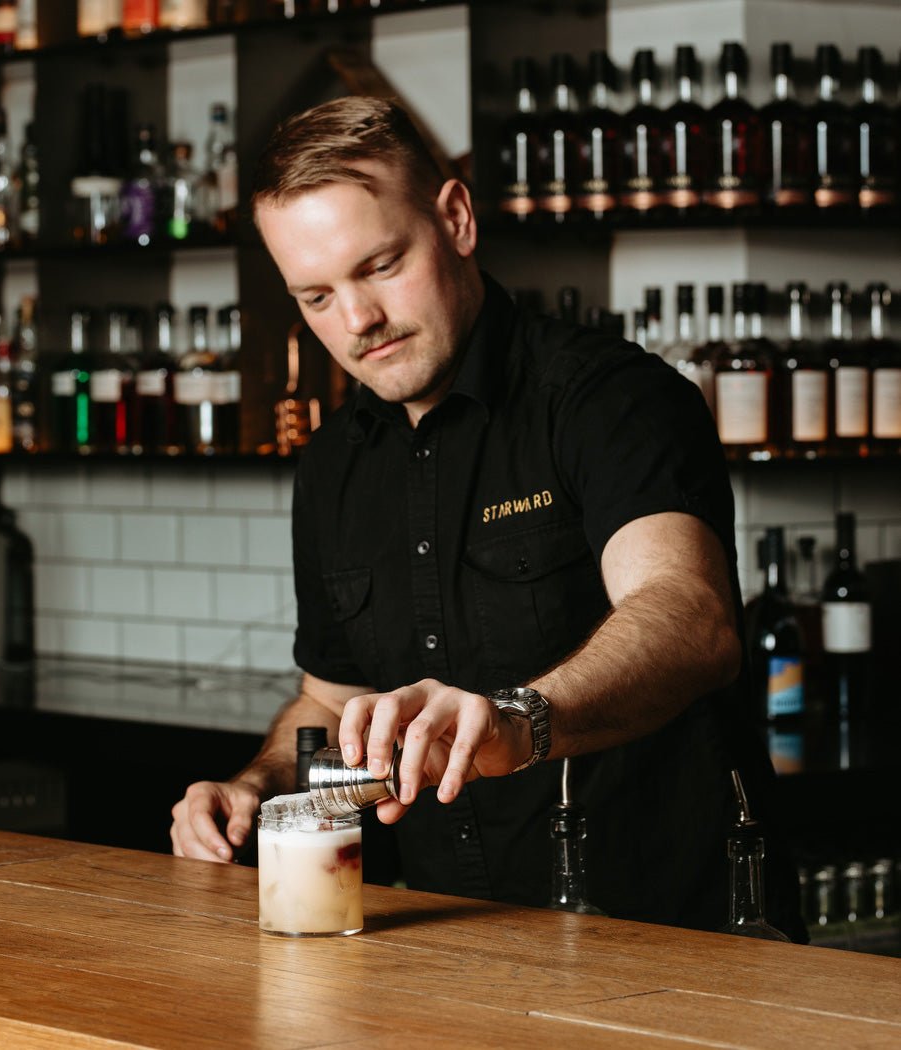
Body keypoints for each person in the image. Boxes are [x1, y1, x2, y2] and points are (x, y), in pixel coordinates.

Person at [171, 95, 806, 938]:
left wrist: (517, 720)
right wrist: (259, 784)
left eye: (381, 266)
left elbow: (689, 618)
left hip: (672, 936)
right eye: (316, 297)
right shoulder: (334, 463)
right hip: (452, 938)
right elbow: (329, 698)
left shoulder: (610, 399)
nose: (357, 321)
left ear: (457, 219)